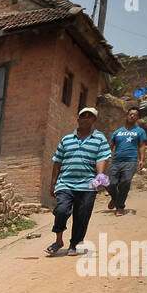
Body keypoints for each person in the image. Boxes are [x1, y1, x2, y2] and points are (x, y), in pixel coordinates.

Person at [46, 106, 111, 256]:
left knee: (81, 216)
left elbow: (101, 158)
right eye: (83, 116)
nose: (86, 119)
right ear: (78, 119)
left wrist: (99, 175)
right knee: (61, 210)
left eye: (89, 116)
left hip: (88, 185)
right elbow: (57, 161)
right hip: (65, 182)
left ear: (94, 120)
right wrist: (53, 183)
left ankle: (74, 244)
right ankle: (58, 241)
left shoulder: (99, 138)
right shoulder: (66, 139)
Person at [107, 107, 147, 215]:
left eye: (135, 115)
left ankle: (120, 207)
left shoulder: (140, 131)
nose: (132, 116)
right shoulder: (117, 132)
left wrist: (141, 160)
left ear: (137, 118)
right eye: (130, 114)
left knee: (125, 182)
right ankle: (115, 198)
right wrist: (105, 157)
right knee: (109, 183)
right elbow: (110, 145)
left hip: (131, 161)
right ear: (126, 116)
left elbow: (142, 146)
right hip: (116, 161)